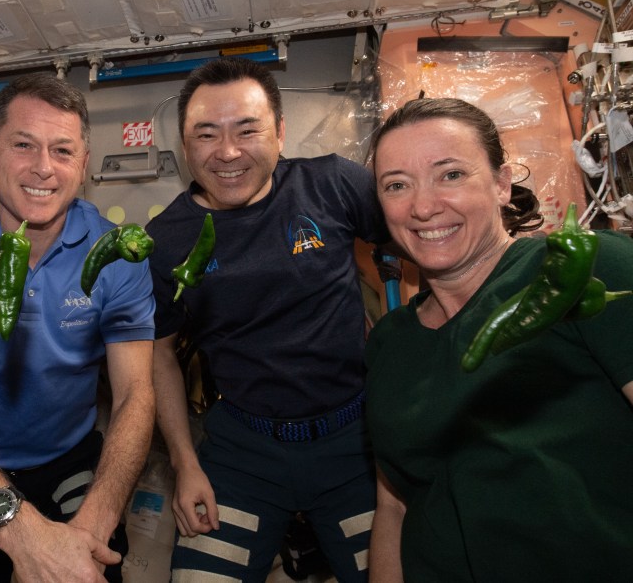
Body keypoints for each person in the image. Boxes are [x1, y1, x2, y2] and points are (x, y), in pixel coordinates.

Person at [0, 73, 156, 582]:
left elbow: (134, 394)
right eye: (23, 145)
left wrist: (92, 527)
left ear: (84, 164)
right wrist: (23, 535)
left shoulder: (119, 253)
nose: (43, 167)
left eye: (63, 150)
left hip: (70, 458)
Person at [365, 97, 633, 582]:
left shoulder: (585, 270)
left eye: (450, 175)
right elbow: (394, 506)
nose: (423, 207)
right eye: (397, 185)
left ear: (502, 184)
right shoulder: (389, 341)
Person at [146, 57, 385, 582]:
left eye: (247, 130)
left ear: (279, 131)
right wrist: (185, 464)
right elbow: (158, 353)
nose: (228, 152)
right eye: (206, 134)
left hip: (358, 443)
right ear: (185, 146)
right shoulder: (166, 239)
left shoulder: (335, 184)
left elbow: (411, 253)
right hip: (242, 451)